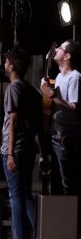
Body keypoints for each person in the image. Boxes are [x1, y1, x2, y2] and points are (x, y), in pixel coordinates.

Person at [0, 47, 45, 239]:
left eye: (6, 61)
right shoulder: (33, 91)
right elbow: (37, 125)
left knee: (16, 196)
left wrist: (9, 152)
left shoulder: (14, 88)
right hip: (28, 149)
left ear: (11, 65)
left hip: (15, 149)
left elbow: (13, 120)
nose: (4, 64)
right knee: (25, 195)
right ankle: (43, 231)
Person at [40, 39, 81, 233]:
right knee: (58, 184)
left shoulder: (75, 77)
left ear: (68, 56)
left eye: (60, 48)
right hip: (55, 135)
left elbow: (74, 109)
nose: (56, 50)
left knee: (68, 185)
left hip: (66, 137)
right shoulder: (58, 76)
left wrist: (53, 95)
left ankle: (71, 228)